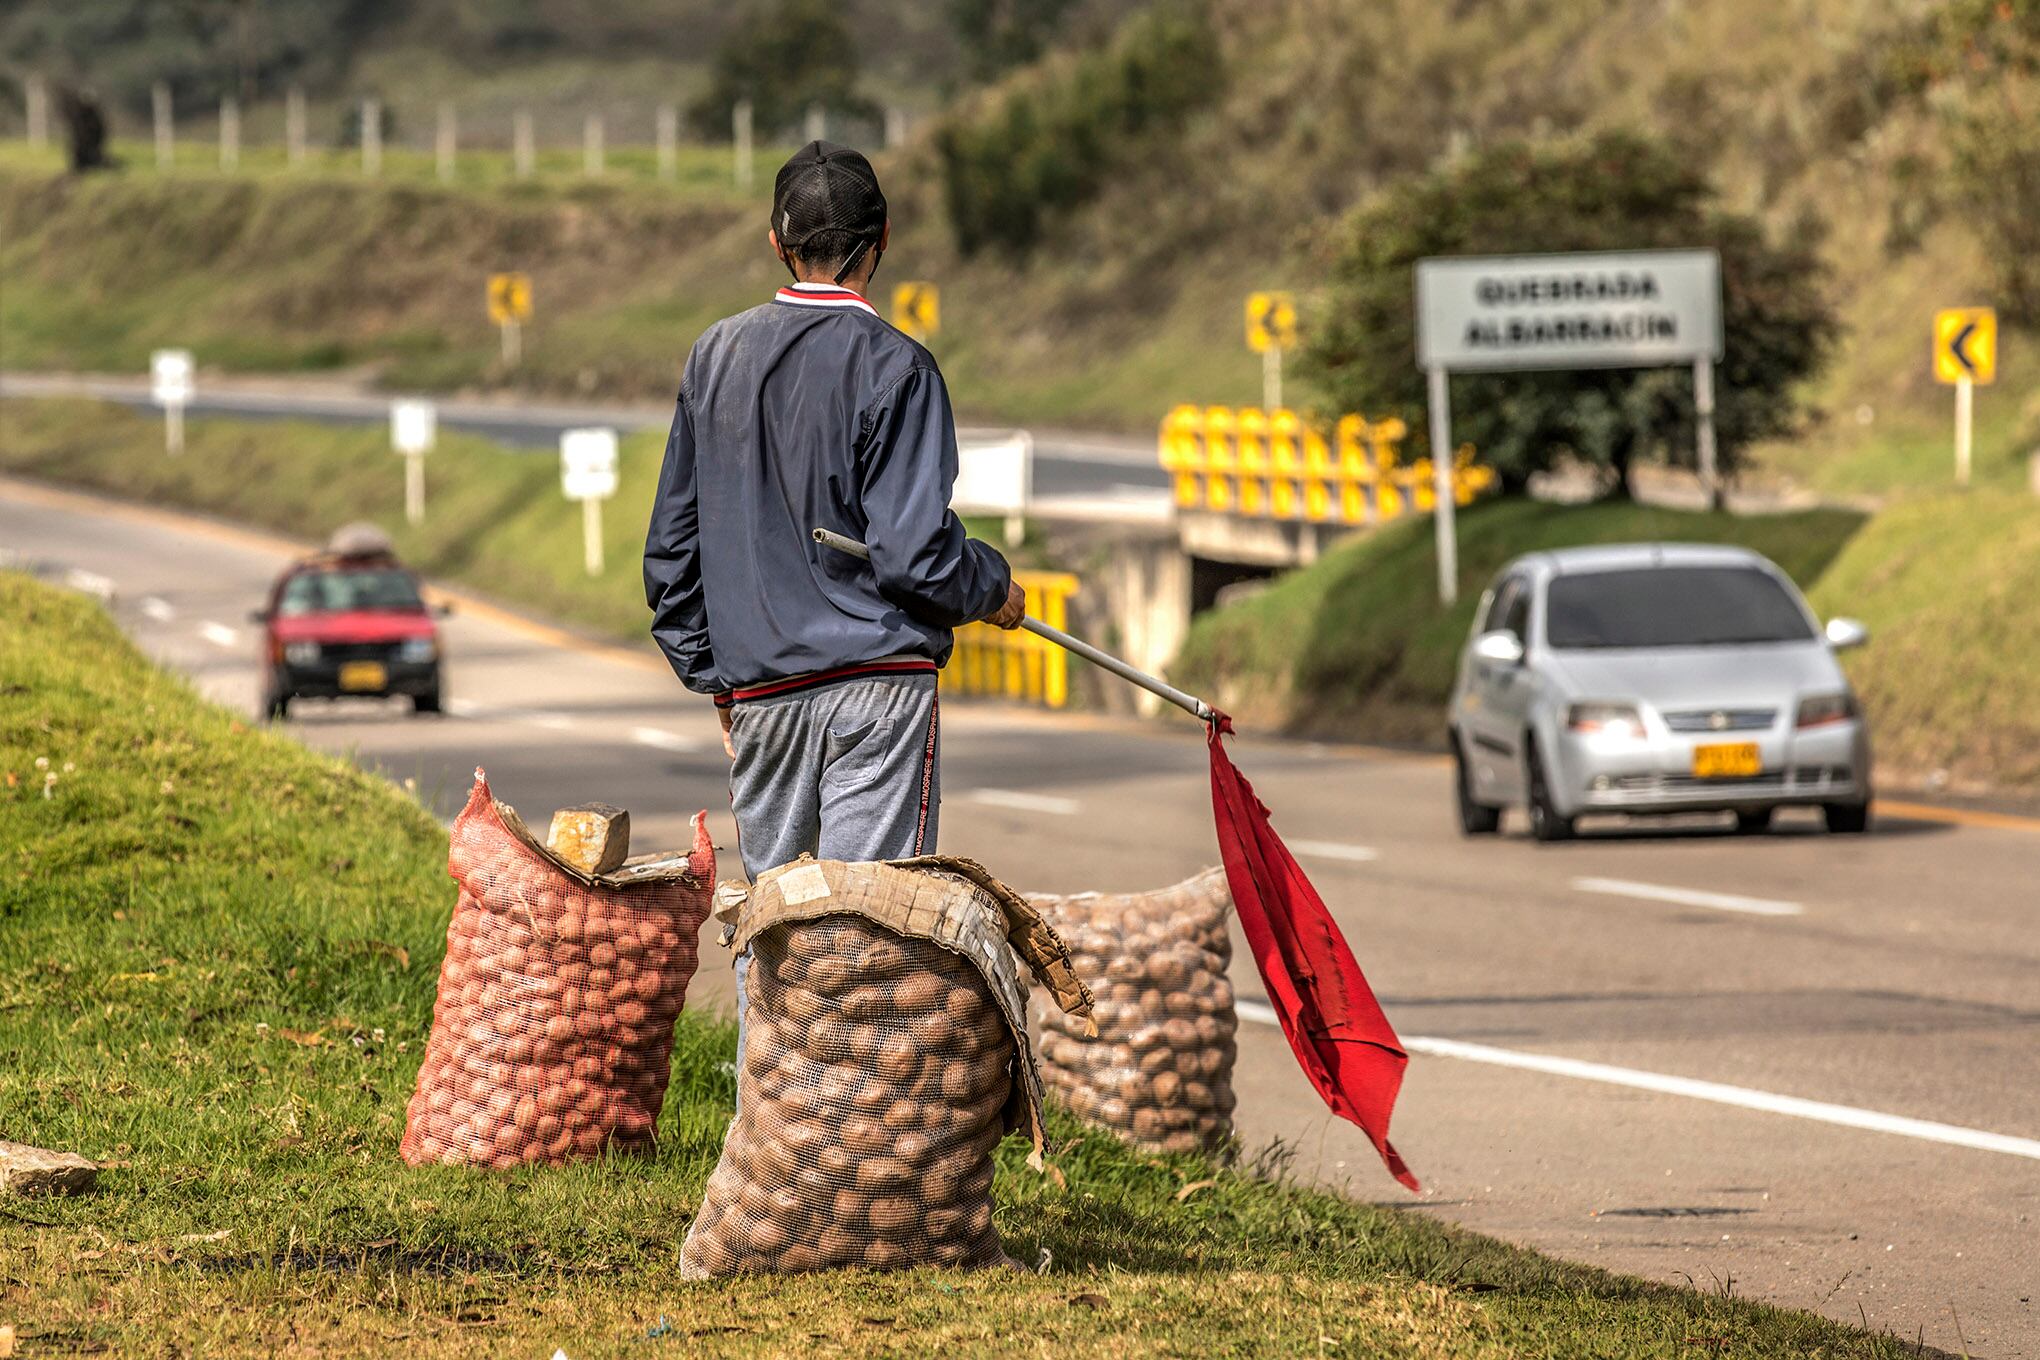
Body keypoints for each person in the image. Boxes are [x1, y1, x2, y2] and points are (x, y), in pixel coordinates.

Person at [645, 140, 1025, 884]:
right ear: (882, 239)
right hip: (878, 696)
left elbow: (672, 555)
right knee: (868, 930)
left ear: (776, 244)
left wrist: (719, 680)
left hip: (762, 695)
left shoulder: (713, 356)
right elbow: (915, 557)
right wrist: (991, 584)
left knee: (777, 929)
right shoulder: (899, 365)